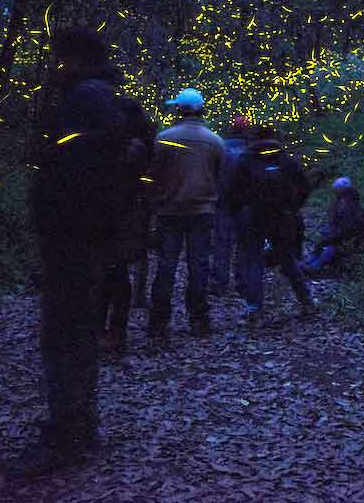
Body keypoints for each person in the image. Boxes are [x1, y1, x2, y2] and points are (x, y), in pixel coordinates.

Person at [19, 27, 133, 476]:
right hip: (82, 233)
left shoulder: (85, 100)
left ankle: (70, 429)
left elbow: (76, 173)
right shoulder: (95, 99)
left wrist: (56, 213)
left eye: (57, 56)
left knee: (65, 331)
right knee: (73, 329)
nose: (51, 64)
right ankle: (76, 424)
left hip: (74, 235)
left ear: (75, 58)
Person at [146, 87, 225, 340]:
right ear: (201, 110)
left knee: (166, 267)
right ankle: (199, 320)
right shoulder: (214, 141)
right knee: (198, 266)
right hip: (202, 211)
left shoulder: (164, 138)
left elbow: (152, 176)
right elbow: (219, 176)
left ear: (179, 110)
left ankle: (159, 324)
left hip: (169, 211)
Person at [226, 127, 315, 327]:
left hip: (254, 216)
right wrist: (293, 207)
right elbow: (304, 186)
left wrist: (238, 212)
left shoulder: (246, 159)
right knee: (287, 258)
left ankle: (254, 308)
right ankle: (306, 300)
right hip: (281, 216)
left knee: (254, 260)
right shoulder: (284, 159)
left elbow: (232, 191)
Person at [100, 94, 156, 354]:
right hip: (124, 216)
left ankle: (114, 331)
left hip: (121, 217)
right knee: (112, 273)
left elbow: (120, 180)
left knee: (114, 273)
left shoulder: (132, 148)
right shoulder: (136, 144)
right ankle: (108, 330)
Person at [210, 115, 253, 297]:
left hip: (222, 201)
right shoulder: (251, 150)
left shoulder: (220, 147)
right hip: (245, 203)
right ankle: (242, 284)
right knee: (244, 244)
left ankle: (220, 284)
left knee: (222, 243)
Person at [301, 176, 364, 275]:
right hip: (342, 231)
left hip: (349, 235)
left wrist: (333, 234)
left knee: (331, 246)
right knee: (323, 241)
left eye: (336, 190)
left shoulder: (348, 203)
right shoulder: (345, 200)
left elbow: (349, 226)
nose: (335, 192)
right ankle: (310, 262)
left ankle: (314, 266)